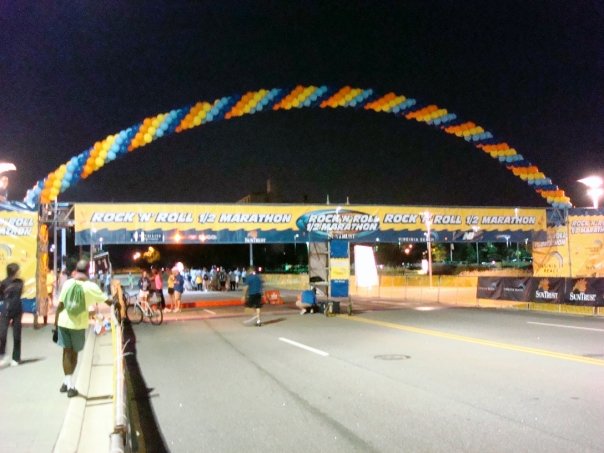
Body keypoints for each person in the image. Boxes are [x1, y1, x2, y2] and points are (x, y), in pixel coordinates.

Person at [54, 260, 112, 397]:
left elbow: (60, 305)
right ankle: (71, 387)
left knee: (66, 352)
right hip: (77, 325)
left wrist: (55, 324)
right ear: (88, 270)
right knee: (74, 354)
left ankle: (66, 382)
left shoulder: (68, 283)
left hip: (63, 322)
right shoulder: (91, 286)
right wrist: (118, 303)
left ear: (76, 269)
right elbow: (108, 301)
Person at [0, 263, 24, 367]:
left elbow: (19, 293)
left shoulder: (20, 282)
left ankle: (16, 358)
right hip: (5, 310)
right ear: (14, 271)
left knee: (17, 335)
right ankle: (2, 354)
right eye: (18, 270)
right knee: (2, 333)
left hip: (17, 310)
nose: (19, 272)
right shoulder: (3, 283)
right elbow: (1, 296)